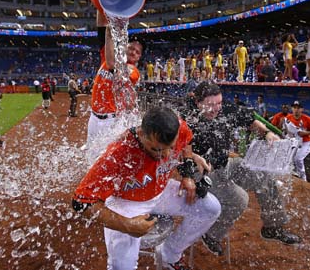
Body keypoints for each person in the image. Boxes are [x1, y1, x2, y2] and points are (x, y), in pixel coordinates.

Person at [73, 107, 221, 270]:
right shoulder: (119, 153)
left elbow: (186, 142)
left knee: (210, 208)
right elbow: (81, 202)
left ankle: (170, 255)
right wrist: (127, 225)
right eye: (157, 149)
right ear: (142, 134)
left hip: (161, 192)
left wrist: (186, 172)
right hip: (127, 203)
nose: (165, 155)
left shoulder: (178, 127)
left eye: (170, 147)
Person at [182, 82, 301, 256]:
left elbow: (250, 121)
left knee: (265, 176)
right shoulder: (188, 119)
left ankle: (272, 227)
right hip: (204, 173)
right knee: (240, 199)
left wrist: (267, 133)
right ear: (199, 103)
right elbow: (175, 150)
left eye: (219, 103)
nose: (216, 109)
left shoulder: (225, 110)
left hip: (227, 165)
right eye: (210, 105)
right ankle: (211, 233)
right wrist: (193, 157)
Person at [87, 12, 143, 162]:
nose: (133, 52)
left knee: (106, 159)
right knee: (91, 157)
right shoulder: (108, 56)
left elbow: (112, 65)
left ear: (139, 58)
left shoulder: (134, 72)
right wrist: (100, 5)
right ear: (125, 48)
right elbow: (101, 27)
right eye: (131, 48)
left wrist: (111, 29)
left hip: (110, 122)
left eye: (137, 52)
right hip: (94, 117)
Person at [284, 101, 310, 181]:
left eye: (298, 108)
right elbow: (285, 128)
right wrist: (288, 134)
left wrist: (305, 133)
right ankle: (293, 175)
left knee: (298, 159)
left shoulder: (307, 119)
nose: (296, 110)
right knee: (288, 158)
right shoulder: (288, 118)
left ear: (302, 109)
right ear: (292, 108)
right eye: (294, 107)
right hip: (294, 142)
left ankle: (303, 178)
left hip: (305, 143)